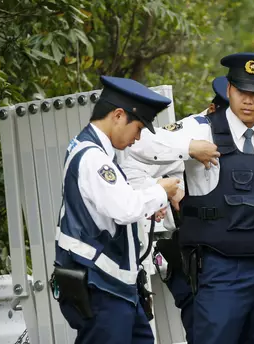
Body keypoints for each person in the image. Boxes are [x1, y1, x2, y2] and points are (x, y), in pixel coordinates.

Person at [121, 53, 254, 343]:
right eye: (242, 91)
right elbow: (137, 144)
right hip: (222, 270)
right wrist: (190, 148)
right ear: (229, 89)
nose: (248, 100)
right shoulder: (201, 128)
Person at [121, 75, 254, 344]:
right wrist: (159, 188)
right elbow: (131, 157)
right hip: (196, 259)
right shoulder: (191, 131)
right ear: (216, 110)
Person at [53, 76, 180, 344]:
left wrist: (150, 197)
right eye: (138, 128)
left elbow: (114, 203)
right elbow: (125, 208)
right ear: (119, 115)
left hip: (116, 288)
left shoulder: (96, 151)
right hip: (101, 287)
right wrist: (162, 192)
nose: (137, 138)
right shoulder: (94, 158)